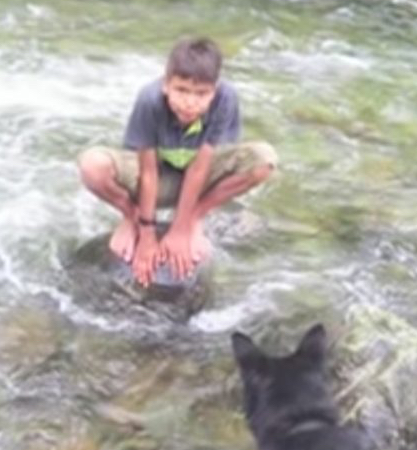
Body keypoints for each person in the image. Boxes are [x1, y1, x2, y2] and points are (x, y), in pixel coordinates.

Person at [78, 36, 277, 287]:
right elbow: (148, 172)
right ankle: (130, 215)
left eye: (201, 94)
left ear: (213, 92)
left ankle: (196, 216)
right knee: (92, 165)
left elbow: (200, 166)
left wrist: (182, 227)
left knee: (263, 160)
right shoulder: (149, 99)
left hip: (196, 176)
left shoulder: (225, 99)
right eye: (181, 90)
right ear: (166, 85)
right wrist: (147, 232)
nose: (190, 102)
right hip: (155, 176)